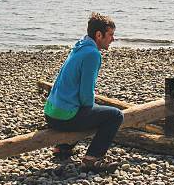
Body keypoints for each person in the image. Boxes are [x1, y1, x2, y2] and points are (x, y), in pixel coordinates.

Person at [44, 12, 124, 173]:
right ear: (98, 35)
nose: (113, 39)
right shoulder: (92, 54)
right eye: (110, 35)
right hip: (63, 118)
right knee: (115, 115)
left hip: (50, 113)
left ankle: (63, 147)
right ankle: (92, 158)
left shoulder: (80, 46)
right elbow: (86, 94)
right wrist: (92, 110)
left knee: (91, 110)